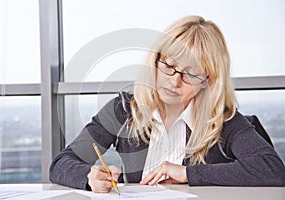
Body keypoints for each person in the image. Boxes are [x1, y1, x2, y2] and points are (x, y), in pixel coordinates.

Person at [49, 15, 285, 192]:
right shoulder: (124, 109)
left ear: (207, 81)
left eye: (190, 75)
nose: (174, 81)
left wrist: (187, 173)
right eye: (169, 66)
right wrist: (89, 177)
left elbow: (272, 169)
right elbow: (61, 163)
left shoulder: (222, 120)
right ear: (155, 61)